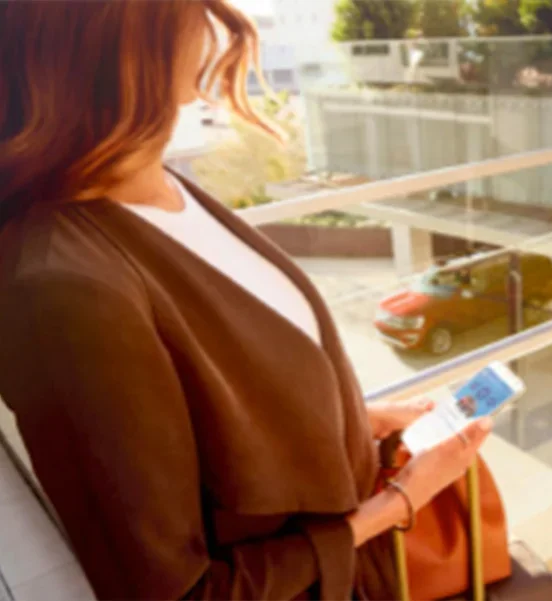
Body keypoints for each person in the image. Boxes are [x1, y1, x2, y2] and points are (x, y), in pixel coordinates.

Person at [0, 1, 492, 599]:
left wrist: (356, 422)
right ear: (119, 40)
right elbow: (181, 591)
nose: (213, 24)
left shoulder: (165, 187)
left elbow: (214, 430)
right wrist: (401, 499)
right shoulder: (63, 291)